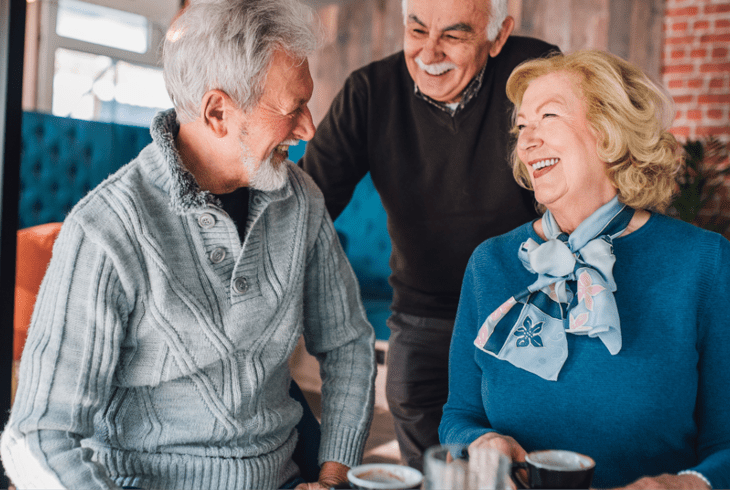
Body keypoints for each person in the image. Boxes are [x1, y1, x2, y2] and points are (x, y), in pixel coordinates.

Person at [0, 1, 377, 489]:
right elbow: (39, 435)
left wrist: (331, 478)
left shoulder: (299, 200)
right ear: (217, 112)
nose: (308, 129)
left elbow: (348, 342)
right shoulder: (106, 231)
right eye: (292, 109)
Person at [438, 49, 730, 489]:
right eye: (522, 126)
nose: (527, 140)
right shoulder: (491, 263)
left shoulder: (705, 263)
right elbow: (460, 416)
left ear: (609, 130)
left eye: (548, 117)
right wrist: (481, 442)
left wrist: (683, 485)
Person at [300, 0, 558, 470]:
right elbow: (307, 202)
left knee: (516, 459)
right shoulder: (370, 92)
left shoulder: (536, 76)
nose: (429, 52)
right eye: (417, 31)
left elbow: (569, 191)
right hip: (422, 312)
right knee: (428, 464)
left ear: (496, 37)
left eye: (454, 36)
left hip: (523, 307)